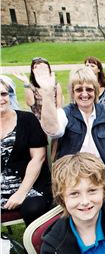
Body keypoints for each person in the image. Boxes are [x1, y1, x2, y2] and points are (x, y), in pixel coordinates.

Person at [39, 66, 105, 200]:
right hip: (72, 175)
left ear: (96, 91)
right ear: (72, 93)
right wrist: (47, 94)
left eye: (89, 89)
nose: (84, 94)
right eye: (79, 89)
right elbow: (53, 131)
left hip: (101, 174)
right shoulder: (65, 113)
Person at [0, 78, 51, 225]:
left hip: (30, 185)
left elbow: (38, 158)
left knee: (32, 208)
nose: (1, 99)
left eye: (3, 94)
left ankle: (33, 246)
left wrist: (21, 193)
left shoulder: (27, 120)